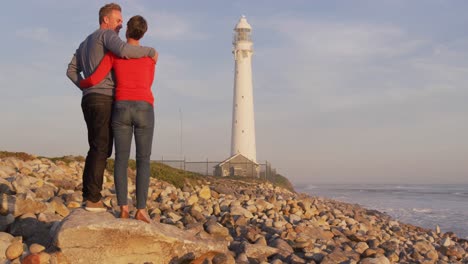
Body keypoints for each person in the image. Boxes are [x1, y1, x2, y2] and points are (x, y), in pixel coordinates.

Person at [66, 3, 157, 212]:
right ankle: (93, 199)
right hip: (105, 98)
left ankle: (94, 196)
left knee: (97, 147)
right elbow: (125, 50)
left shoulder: (83, 43)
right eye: (117, 20)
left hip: (88, 99)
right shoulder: (107, 36)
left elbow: (71, 70)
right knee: (102, 148)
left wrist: (83, 85)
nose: (119, 25)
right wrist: (151, 51)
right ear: (106, 20)